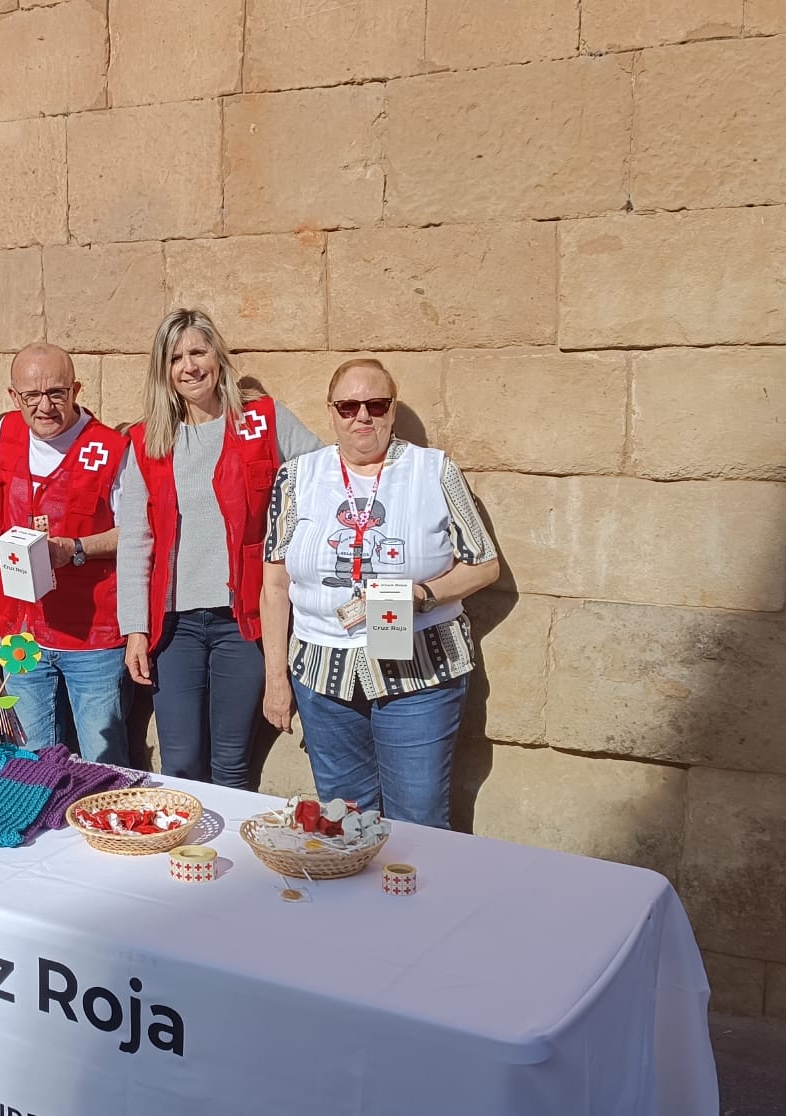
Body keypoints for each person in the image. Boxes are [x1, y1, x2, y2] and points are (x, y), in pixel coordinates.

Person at [260, 359, 500, 827]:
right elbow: (274, 583)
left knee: (418, 821)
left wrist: (424, 593)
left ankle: (422, 900)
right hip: (323, 678)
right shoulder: (297, 477)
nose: (362, 417)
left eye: (376, 404)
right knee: (345, 820)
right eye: (349, 406)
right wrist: (276, 680)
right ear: (332, 412)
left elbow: (484, 564)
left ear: (392, 411)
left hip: (418, 673)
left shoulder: (434, 470)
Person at [116, 308, 320, 788]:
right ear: (163, 371)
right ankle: (183, 855)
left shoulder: (262, 421)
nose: (189, 366)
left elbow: (320, 480)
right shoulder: (148, 441)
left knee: (231, 763)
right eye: (176, 357)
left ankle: (225, 860)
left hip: (242, 621)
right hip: (176, 627)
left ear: (218, 357)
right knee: (181, 761)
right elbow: (135, 542)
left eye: (198, 352)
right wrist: (135, 630)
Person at [0, 343, 130, 762]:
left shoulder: (111, 449)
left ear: (77, 390)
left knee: (103, 763)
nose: (45, 406)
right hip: (20, 630)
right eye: (32, 396)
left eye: (57, 393)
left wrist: (77, 549)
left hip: (92, 637)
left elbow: (138, 533)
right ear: (15, 398)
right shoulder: (3, 433)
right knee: (29, 762)